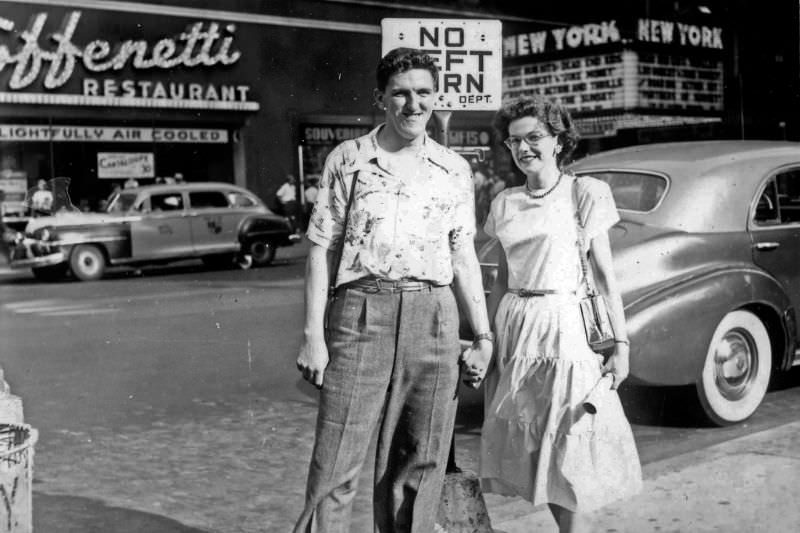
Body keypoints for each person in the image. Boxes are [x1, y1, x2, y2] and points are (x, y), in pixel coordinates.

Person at [294, 47, 492, 533]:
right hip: (361, 311)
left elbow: (463, 255)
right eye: (400, 94)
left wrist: (483, 337)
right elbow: (320, 249)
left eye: (423, 93)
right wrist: (313, 337)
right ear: (380, 98)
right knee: (337, 459)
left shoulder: (453, 169)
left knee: (420, 458)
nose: (412, 104)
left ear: (435, 97)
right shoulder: (350, 159)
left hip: (434, 315)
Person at [479, 95, 642, 533]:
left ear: (558, 141)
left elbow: (606, 279)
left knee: (568, 442)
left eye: (535, 137)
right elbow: (500, 279)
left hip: (564, 328)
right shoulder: (505, 202)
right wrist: (488, 340)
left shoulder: (585, 193)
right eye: (515, 141)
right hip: (515, 328)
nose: (524, 148)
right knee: (535, 450)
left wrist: (620, 345)